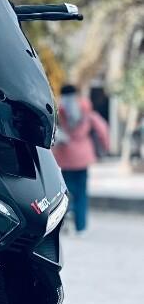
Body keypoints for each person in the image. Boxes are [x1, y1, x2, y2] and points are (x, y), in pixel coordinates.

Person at [52, 84, 110, 233]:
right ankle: (81, 226)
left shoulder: (58, 110)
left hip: (64, 156)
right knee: (82, 192)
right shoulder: (85, 108)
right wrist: (105, 146)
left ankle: (68, 214)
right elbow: (102, 128)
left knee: (66, 191)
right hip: (83, 156)